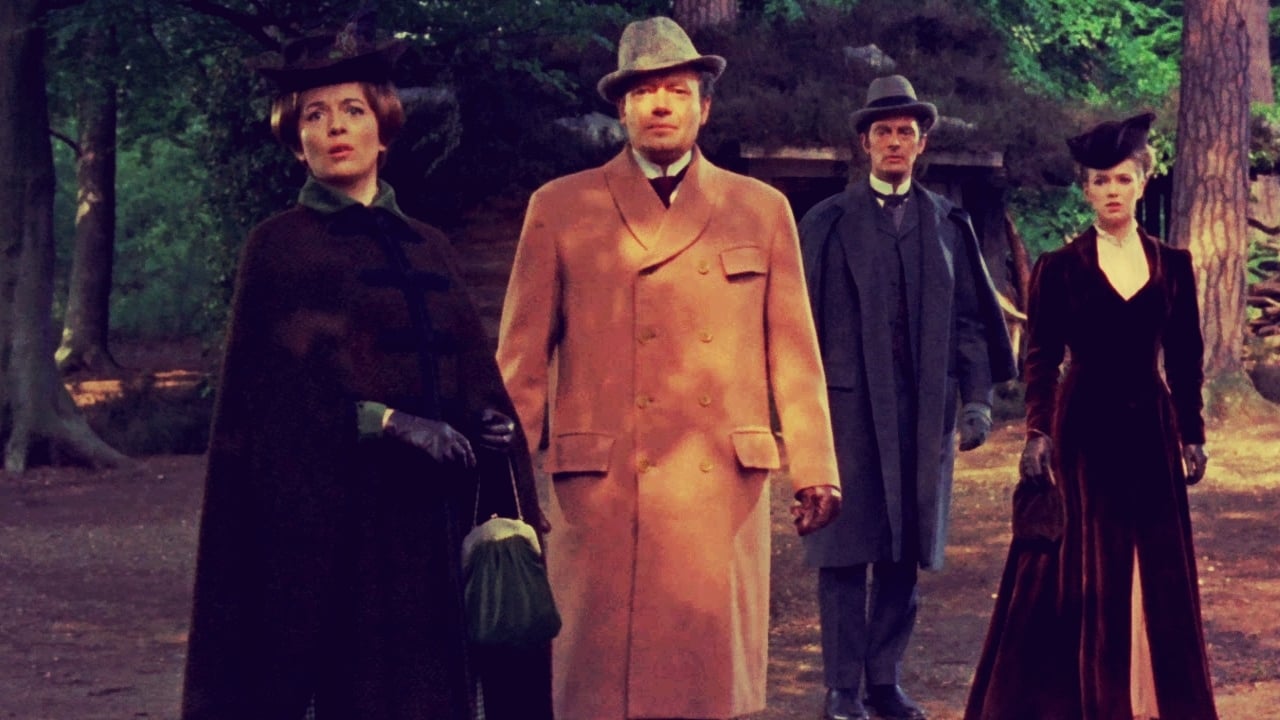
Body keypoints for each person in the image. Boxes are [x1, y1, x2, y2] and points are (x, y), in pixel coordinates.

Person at [180, 20, 550, 720]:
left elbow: (469, 367)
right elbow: (269, 407)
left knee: (437, 689)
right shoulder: (279, 248)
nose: (335, 127)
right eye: (314, 116)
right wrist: (388, 422)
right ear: (297, 142)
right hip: (340, 530)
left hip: (435, 522)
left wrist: (488, 421)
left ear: (383, 129)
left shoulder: (428, 245)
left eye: (352, 110)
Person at [496, 15, 842, 720]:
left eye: (677, 90)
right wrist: (500, 484)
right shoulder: (561, 208)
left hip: (718, 486)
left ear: (704, 108)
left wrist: (815, 466)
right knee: (600, 691)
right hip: (603, 488)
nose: (661, 104)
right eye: (644, 92)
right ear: (621, 110)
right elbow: (522, 361)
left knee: (704, 688)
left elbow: (794, 353)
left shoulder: (761, 209)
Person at [964, 112, 1219, 720]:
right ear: (1085, 190)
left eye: (1123, 179)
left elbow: (1186, 357)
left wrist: (1192, 432)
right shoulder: (1060, 267)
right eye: (1100, 181)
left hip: (1151, 428)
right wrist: (1038, 431)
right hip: (1083, 430)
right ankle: (1085, 698)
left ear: (1142, 183)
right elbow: (1041, 359)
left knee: (1154, 563)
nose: (1111, 190)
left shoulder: (1173, 265)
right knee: (1082, 567)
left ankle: (1150, 698)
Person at [797, 75, 1017, 720]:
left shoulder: (947, 224)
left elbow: (972, 320)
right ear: (865, 142)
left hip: (923, 412)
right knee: (844, 550)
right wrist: (799, 416)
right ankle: (841, 689)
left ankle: (883, 681)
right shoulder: (828, 222)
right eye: (883, 131)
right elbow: (797, 326)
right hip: (847, 411)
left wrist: (975, 400)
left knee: (904, 550)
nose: (895, 142)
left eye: (906, 132)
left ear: (922, 145)